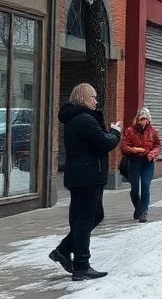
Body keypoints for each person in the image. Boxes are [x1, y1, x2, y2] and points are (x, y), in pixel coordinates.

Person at [50, 83, 121, 281]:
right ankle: (81, 265)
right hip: (87, 176)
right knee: (85, 219)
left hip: (82, 175)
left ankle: (63, 251)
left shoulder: (76, 119)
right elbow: (104, 143)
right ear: (84, 98)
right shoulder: (84, 120)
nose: (96, 101)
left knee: (91, 216)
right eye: (93, 98)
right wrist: (115, 132)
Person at [120, 107, 161, 223]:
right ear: (137, 119)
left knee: (145, 186)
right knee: (134, 189)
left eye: (146, 119)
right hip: (134, 161)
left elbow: (158, 145)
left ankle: (144, 211)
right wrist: (136, 150)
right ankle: (138, 207)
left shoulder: (152, 131)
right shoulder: (130, 131)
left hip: (147, 162)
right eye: (141, 119)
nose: (143, 121)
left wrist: (153, 153)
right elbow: (124, 146)